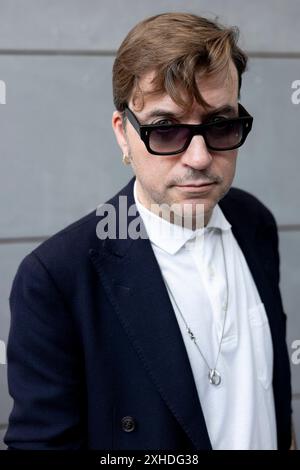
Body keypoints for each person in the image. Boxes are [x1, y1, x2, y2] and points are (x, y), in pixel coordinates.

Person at [4, 12, 293, 450]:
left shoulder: (254, 223)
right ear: (124, 134)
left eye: (221, 125)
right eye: (166, 130)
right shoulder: (57, 277)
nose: (198, 157)